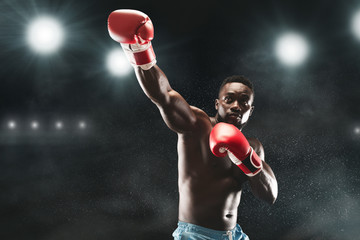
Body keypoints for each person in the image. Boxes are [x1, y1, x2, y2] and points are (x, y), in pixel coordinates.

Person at [107, 9, 278, 240]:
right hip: (195, 236)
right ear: (217, 103)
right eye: (229, 99)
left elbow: (270, 195)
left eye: (244, 102)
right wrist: (140, 50)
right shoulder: (197, 126)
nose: (236, 106)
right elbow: (164, 96)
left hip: (235, 236)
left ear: (251, 110)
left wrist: (248, 158)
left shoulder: (253, 146)